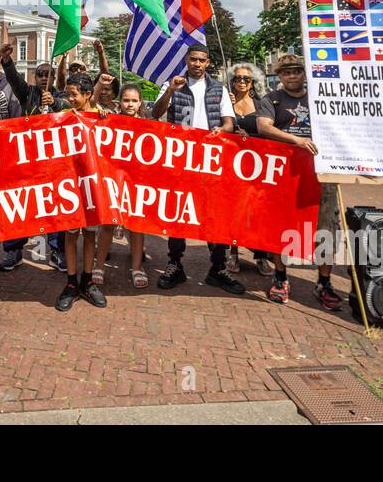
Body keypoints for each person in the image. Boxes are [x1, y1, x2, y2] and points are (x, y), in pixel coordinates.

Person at [151, 43, 244, 295]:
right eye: (193, 59)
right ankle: (175, 264)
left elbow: (229, 123)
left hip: (212, 161)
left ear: (208, 62)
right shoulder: (174, 84)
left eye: (202, 60)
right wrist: (170, 90)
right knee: (179, 213)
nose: (197, 64)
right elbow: (155, 113)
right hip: (181, 160)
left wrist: (221, 130)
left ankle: (218, 268)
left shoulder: (218, 89)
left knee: (215, 214)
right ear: (187, 59)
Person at [256, 54, 344, 310]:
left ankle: (324, 282)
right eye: (286, 72)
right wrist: (296, 140)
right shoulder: (271, 99)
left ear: (304, 73)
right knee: (280, 227)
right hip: (286, 175)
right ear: (279, 76)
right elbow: (264, 127)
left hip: (322, 174)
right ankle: (280, 277)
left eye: (296, 71)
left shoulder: (320, 97)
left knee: (327, 228)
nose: (291, 75)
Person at [0, 46, 69, 273]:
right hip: (27, 161)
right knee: (21, 204)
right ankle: (14, 250)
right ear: (35, 77)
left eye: (48, 74)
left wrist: (55, 104)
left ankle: (56, 250)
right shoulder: (27, 93)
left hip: (54, 164)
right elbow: (13, 78)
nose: (43, 78)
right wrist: (6, 60)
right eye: (40, 75)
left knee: (55, 207)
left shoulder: (60, 95)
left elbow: (69, 108)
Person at [55, 72, 109, 311]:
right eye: (68, 95)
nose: (70, 99)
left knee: (89, 234)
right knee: (70, 234)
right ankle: (71, 282)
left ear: (88, 95)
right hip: (69, 185)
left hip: (91, 184)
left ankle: (87, 281)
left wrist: (106, 118)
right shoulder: (64, 117)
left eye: (74, 95)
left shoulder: (100, 116)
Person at [91, 83, 150, 290]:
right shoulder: (109, 119)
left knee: (136, 225)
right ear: (120, 101)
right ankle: (99, 266)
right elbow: (91, 106)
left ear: (140, 103)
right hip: (113, 178)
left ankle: (136, 268)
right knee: (107, 223)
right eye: (126, 100)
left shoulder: (147, 124)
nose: (130, 104)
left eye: (134, 101)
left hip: (136, 180)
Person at [227, 63, 268, 275]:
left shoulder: (262, 104)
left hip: (257, 166)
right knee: (235, 210)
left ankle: (261, 255)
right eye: (238, 78)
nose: (242, 82)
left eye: (246, 79)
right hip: (232, 165)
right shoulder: (226, 103)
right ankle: (232, 252)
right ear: (232, 81)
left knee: (258, 212)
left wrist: (251, 138)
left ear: (253, 83)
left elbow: (269, 132)